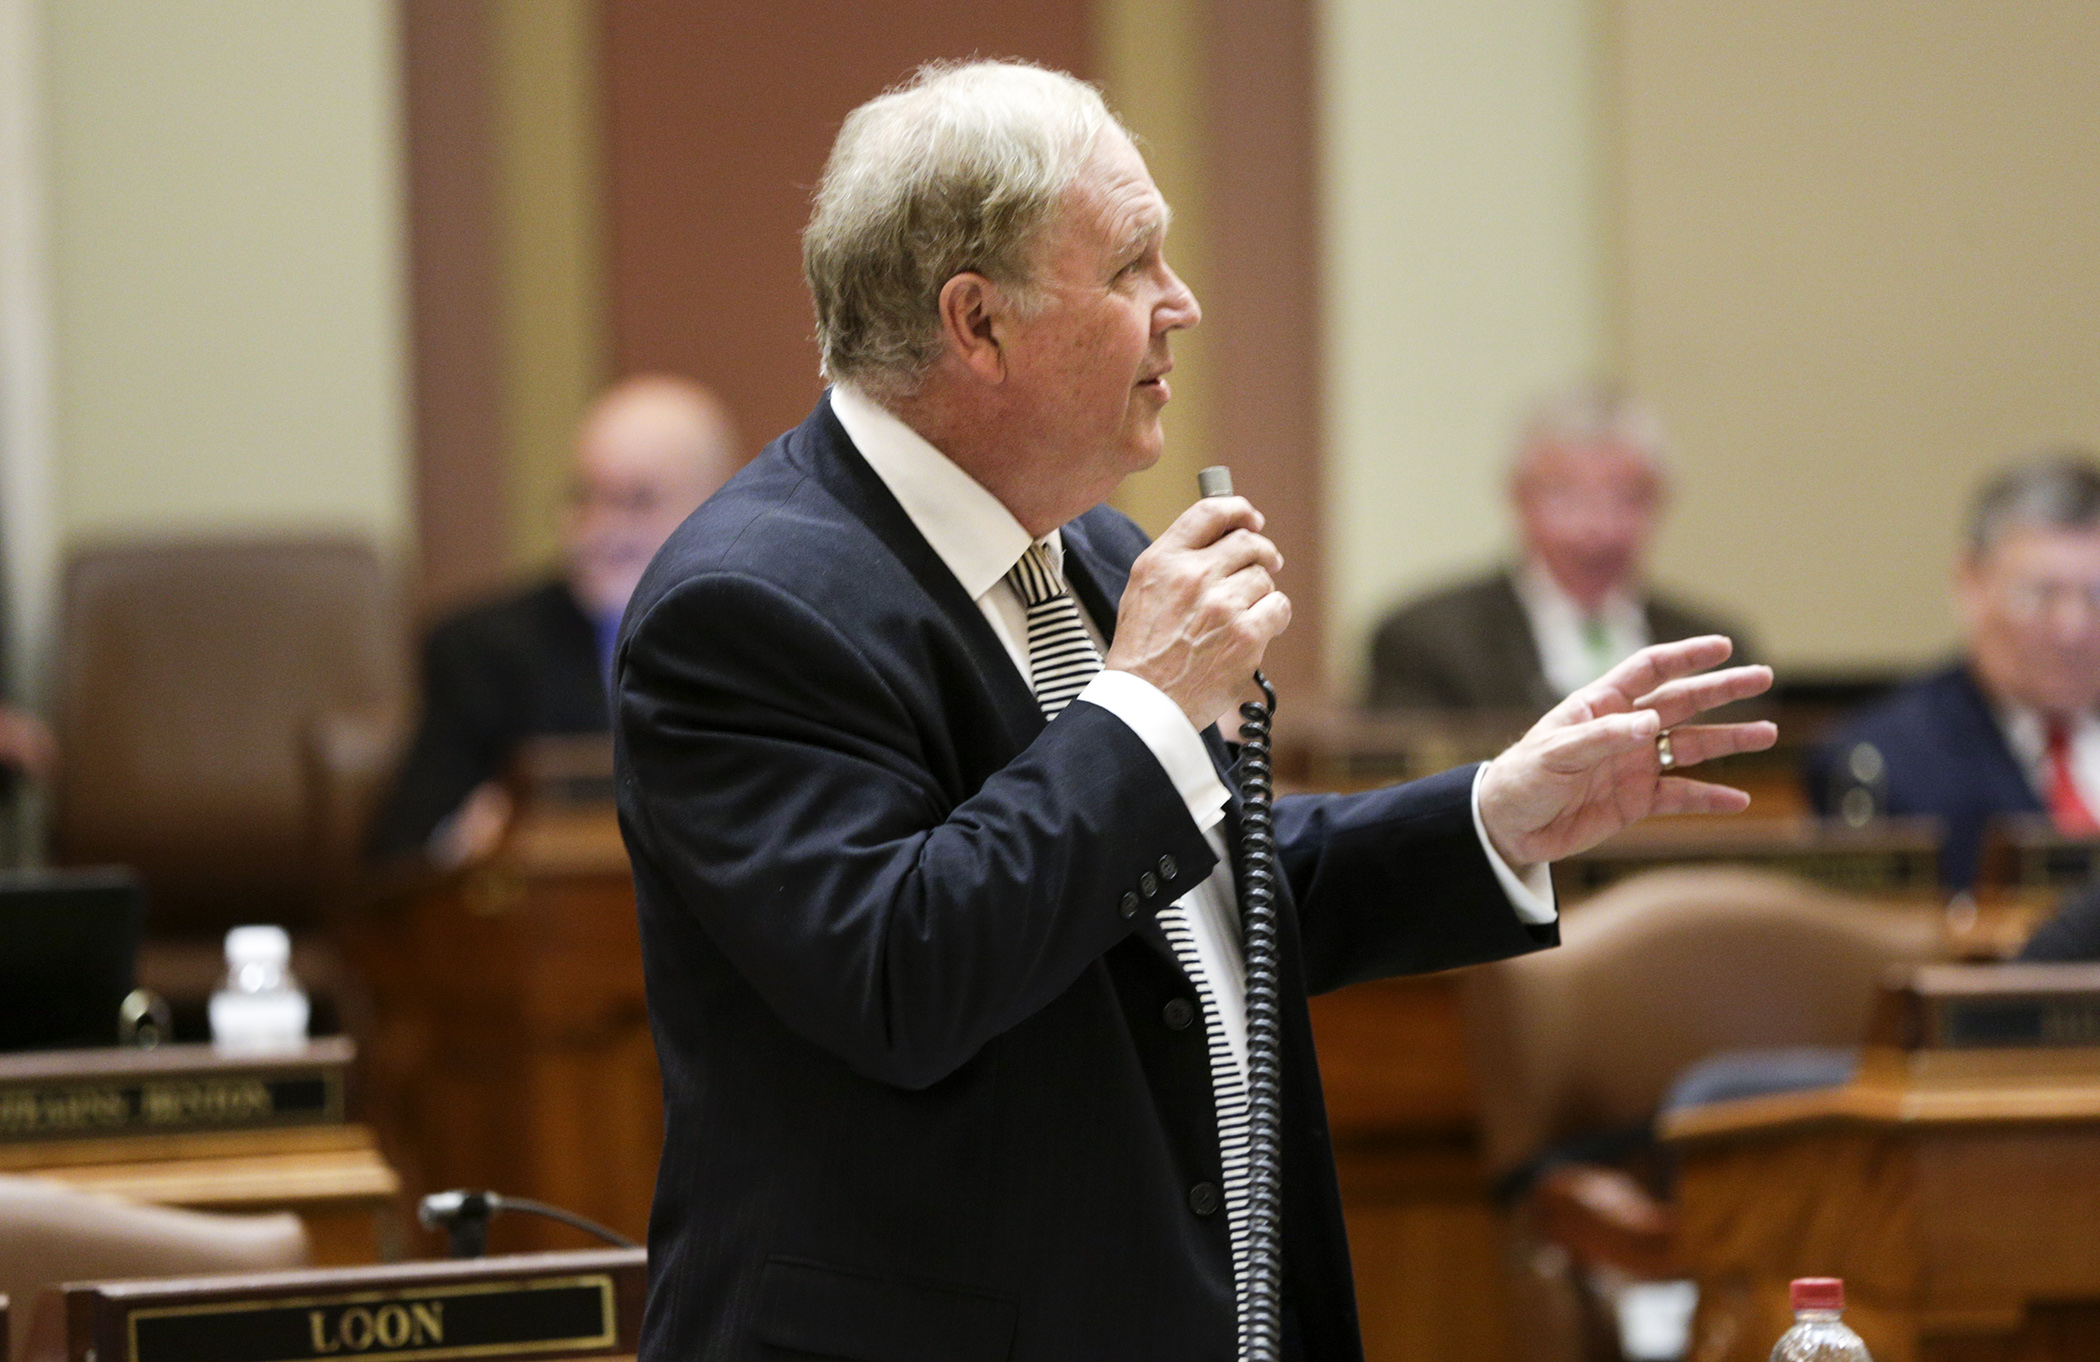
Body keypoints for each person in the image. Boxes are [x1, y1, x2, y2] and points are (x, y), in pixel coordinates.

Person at [614, 61, 1772, 1361]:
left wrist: (1495, 816)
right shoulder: (749, 604)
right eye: (1131, 266)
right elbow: (902, 971)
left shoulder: (1095, 549)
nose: (1184, 304)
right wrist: (1145, 703)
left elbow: (1184, 893)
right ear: (977, 323)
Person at [367, 375, 738, 865]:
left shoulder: (778, 639)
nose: (603, 529)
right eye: (584, 497)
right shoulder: (482, 650)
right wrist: (464, 839)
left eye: (638, 500)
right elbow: (398, 856)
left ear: (721, 506)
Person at [1807, 451, 2100, 891]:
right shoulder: (1880, 763)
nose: (2073, 629)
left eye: (2096, 596)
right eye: (2040, 595)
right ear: (1971, 585)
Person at [1366, 387, 1754, 713]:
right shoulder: (1427, 641)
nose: (1597, 526)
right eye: (1565, 496)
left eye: (1627, 497)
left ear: (1662, 502)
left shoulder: (1712, 648)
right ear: (1518, 498)